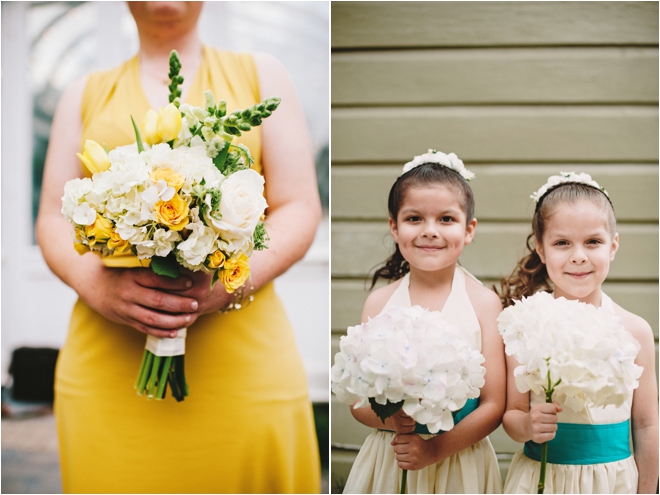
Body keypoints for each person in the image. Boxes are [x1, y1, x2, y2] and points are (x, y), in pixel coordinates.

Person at [35, 2, 322, 493]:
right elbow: (51, 220)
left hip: (241, 362)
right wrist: (98, 288)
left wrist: (231, 281)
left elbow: (298, 206)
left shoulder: (262, 76)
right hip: (108, 362)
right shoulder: (82, 93)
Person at [341, 151, 506, 494]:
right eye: (415, 218)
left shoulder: (485, 303)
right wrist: (390, 417)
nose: (430, 231)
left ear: (469, 229)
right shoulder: (379, 303)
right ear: (394, 226)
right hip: (393, 456)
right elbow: (357, 401)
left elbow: (494, 405)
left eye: (446, 219)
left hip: (459, 459)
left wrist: (435, 449)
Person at [497, 173, 658, 494]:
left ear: (613, 246)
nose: (579, 256)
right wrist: (527, 425)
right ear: (541, 249)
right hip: (542, 479)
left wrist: (647, 489)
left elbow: (646, 423)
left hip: (612, 481)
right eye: (562, 243)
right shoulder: (523, 325)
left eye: (593, 242)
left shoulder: (635, 330)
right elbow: (511, 415)